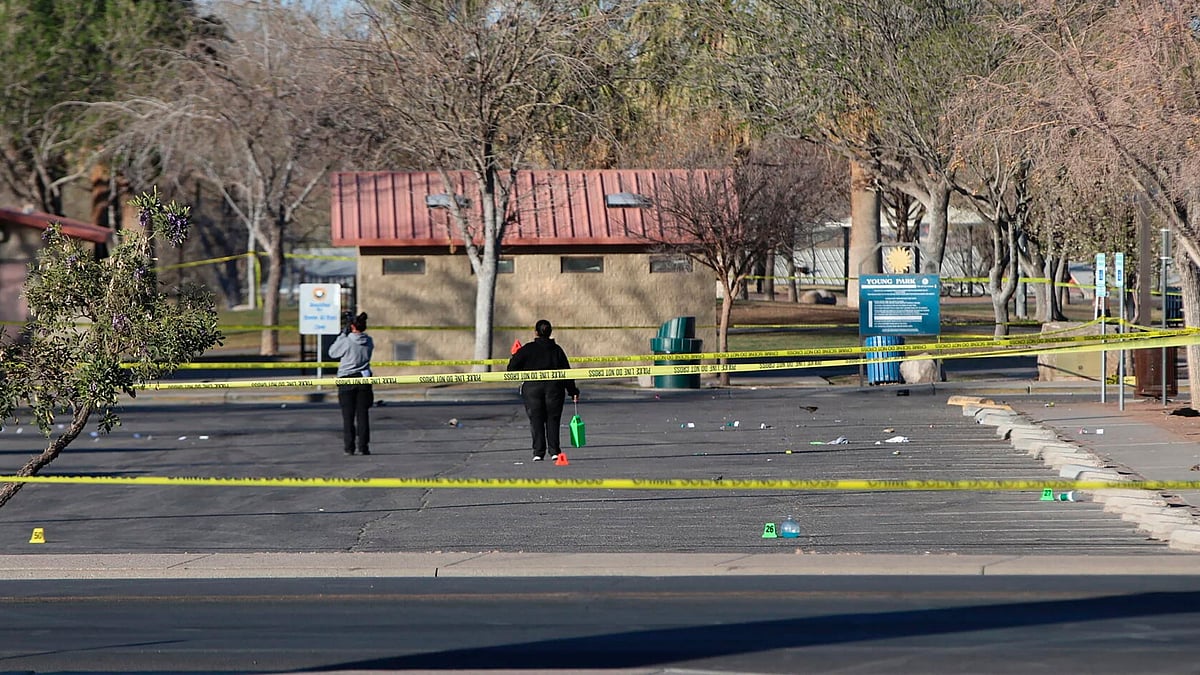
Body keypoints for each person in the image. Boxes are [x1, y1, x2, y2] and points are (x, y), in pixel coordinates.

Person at [507, 319, 580, 462]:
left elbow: (511, 369)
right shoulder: (557, 350)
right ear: (550, 332)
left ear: (536, 332)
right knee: (553, 419)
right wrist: (573, 391)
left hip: (532, 389)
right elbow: (566, 372)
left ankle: (538, 452)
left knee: (536, 420)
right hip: (554, 389)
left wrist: (515, 354)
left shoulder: (527, 349)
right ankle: (554, 451)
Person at [329, 311, 374, 456]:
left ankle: (349, 447)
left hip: (346, 379)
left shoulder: (347, 340)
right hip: (364, 379)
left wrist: (343, 334)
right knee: (363, 415)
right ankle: (364, 446)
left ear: (352, 326)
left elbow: (332, 353)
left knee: (348, 416)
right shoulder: (369, 340)